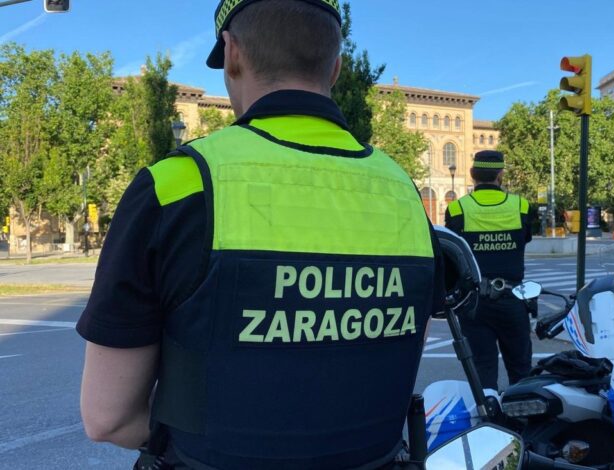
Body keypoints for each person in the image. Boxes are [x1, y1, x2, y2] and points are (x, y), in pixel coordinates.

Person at [77, 1, 445, 468]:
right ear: (335, 68)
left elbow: (107, 419)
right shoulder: (403, 192)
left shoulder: (176, 186)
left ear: (231, 53)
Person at [444, 151, 534, 391]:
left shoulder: (457, 209)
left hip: (474, 304)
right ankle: (525, 422)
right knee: (521, 370)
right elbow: (524, 239)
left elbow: (452, 255)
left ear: (473, 175)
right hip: (513, 300)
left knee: (483, 372)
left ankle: (489, 422)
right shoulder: (522, 206)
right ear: (500, 174)